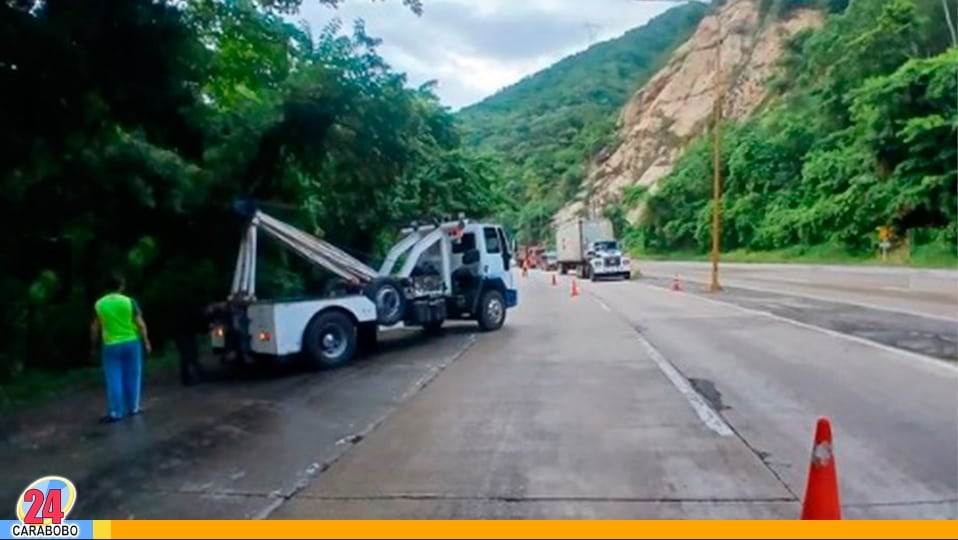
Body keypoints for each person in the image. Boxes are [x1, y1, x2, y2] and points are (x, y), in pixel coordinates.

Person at [90, 272, 152, 424]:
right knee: (133, 375)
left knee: (114, 378)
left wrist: (93, 345)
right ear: (121, 286)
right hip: (131, 342)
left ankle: (116, 412)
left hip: (110, 344)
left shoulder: (99, 304)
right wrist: (146, 341)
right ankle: (133, 407)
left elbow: (94, 327)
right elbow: (141, 324)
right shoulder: (129, 302)